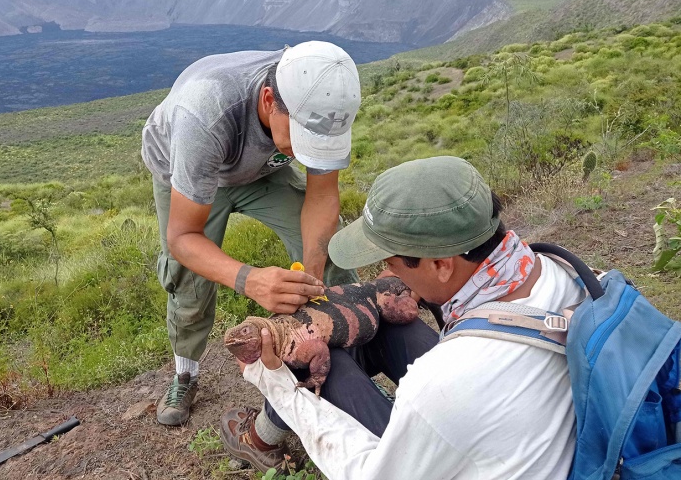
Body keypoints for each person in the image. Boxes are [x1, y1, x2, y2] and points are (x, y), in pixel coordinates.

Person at [235, 156, 584, 479]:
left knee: (325, 368)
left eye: (391, 260)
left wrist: (274, 383)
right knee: (377, 331)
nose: (384, 270)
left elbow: (371, 474)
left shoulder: (438, 384)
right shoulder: (565, 272)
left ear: (441, 265)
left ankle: (260, 436)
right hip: (534, 433)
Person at [141, 41, 360, 456]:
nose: (306, 153)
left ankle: (351, 348)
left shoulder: (323, 97)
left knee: (331, 254)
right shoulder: (204, 113)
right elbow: (182, 237)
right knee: (190, 280)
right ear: (267, 100)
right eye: (300, 141)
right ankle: (185, 373)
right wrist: (250, 280)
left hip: (258, 171)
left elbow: (322, 198)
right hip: (188, 175)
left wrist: (311, 274)